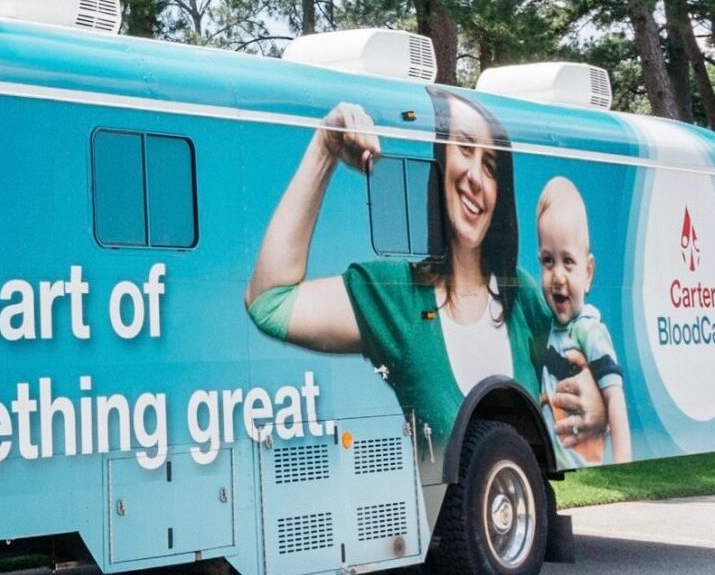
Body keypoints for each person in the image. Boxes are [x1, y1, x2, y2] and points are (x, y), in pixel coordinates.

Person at [243, 89, 606, 473]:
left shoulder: (522, 297)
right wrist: (324, 146)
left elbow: (581, 353)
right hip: (449, 518)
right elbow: (269, 302)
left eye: (491, 166)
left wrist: (598, 400)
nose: (475, 178)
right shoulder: (397, 297)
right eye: (464, 149)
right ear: (440, 158)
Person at [535, 177, 631, 465]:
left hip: (584, 462)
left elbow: (614, 397)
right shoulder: (553, 328)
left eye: (568, 261)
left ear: (588, 273)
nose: (558, 276)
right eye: (548, 261)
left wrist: (623, 459)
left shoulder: (589, 331)